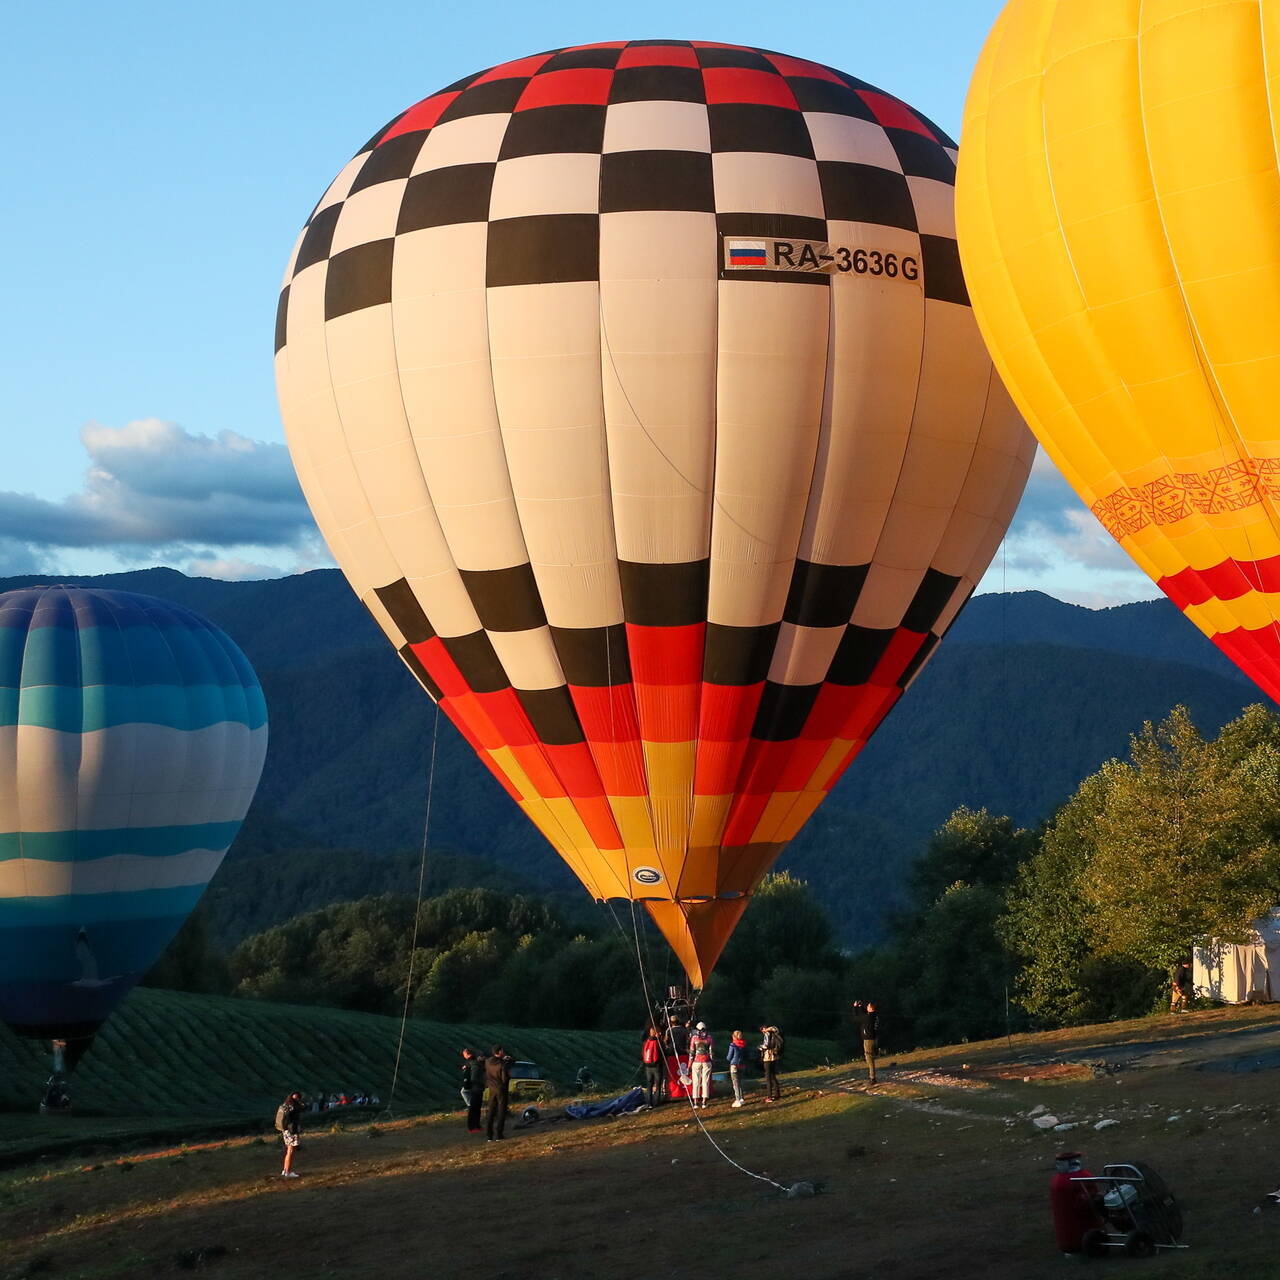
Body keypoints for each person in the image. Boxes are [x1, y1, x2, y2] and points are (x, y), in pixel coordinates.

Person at [485, 1045, 514, 1141]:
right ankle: (499, 1134)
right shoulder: (502, 1064)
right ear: (500, 1051)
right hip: (501, 1088)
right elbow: (504, 1079)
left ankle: (489, 1135)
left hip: (491, 1088)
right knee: (501, 1111)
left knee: (491, 1111)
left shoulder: (488, 1062)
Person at [275, 1090, 304, 1178]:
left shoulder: (285, 1105)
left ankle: (285, 1170)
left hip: (286, 1130)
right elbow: (303, 1108)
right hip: (292, 1131)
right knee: (290, 1152)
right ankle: (287, 1172)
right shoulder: (294, 1106)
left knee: (288, 1150)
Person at [689, 1022, 714, 1108]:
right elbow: (711, 1052)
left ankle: (695, 1102)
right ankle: (704, 1102)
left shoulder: (694, 1038)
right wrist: (712, 1061)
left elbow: (692, 1052)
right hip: (706, 1061)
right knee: (705, 1081)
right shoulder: (709, 1038)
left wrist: (689, 1064)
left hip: (696, 1061)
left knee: (696, 1081)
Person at [460, 1047, 485, 1133]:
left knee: (473, 1108)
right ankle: (475, 1126)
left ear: (467, 1054)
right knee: (476, 1108)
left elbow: (472, 1078)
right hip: (477, 1088)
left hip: (474, 1088)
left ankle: (473, 1126)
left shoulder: (471, 1063)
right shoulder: (475, 1063)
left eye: (464, 1054)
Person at [858, 1001, 880, 1085]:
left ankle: (872, 1078)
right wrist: (861, 1006)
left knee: (869, 1058)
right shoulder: (874, 1016)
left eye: (867, 1006)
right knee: (870, 1057)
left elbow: (859, 1016)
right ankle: (872, 1076)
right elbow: (866, 1014)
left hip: (868, 1040)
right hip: (874, 1039)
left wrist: (857, 1008)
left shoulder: (868, 1018)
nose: (866, 1007)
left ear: (870, 1008)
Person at [641, 1027, 664, 1106]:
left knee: (649, 1085)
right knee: (657, 1085)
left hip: (648, 1066)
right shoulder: (658, 1042)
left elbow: (642, 1054)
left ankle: (649, 1103)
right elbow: (663, 1052)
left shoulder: (645, 1042)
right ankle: (657, 1102)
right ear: (656, 1033)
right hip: (657, 1066)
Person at [760, 1025, 783, 1101]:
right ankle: (777, 1094)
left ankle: (769, 1096)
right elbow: (776, 1029)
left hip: (768, 1057)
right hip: (774, 1056)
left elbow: (766, 1045)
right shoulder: (774, 1033)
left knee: (768, 1076)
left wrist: (760, 1047)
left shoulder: (767, 1034)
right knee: (773, 1075)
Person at [726, 1029, 749, 1107]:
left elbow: (729, 1057)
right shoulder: (744, 1044)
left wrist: (728, 1059)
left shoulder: (733, 1045)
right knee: (740, 1082)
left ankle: (737, 1099)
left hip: (734, 1065)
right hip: (742, 1065)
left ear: (734, 1037)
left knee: (735, 1083)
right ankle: (742, 1098)